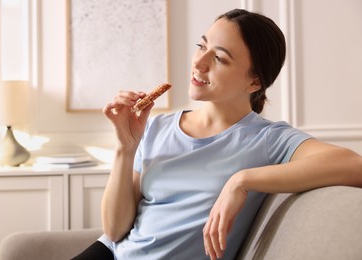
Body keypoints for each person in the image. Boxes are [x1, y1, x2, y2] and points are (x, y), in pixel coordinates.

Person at [72, 8, 362, 260]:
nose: (199, 62)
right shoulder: (156, 127)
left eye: (220, 58)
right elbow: (114, 229)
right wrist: (126, 147)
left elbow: (354, 166)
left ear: (254, 81)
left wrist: (242, 181)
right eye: (202, 46)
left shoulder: (268, 139)